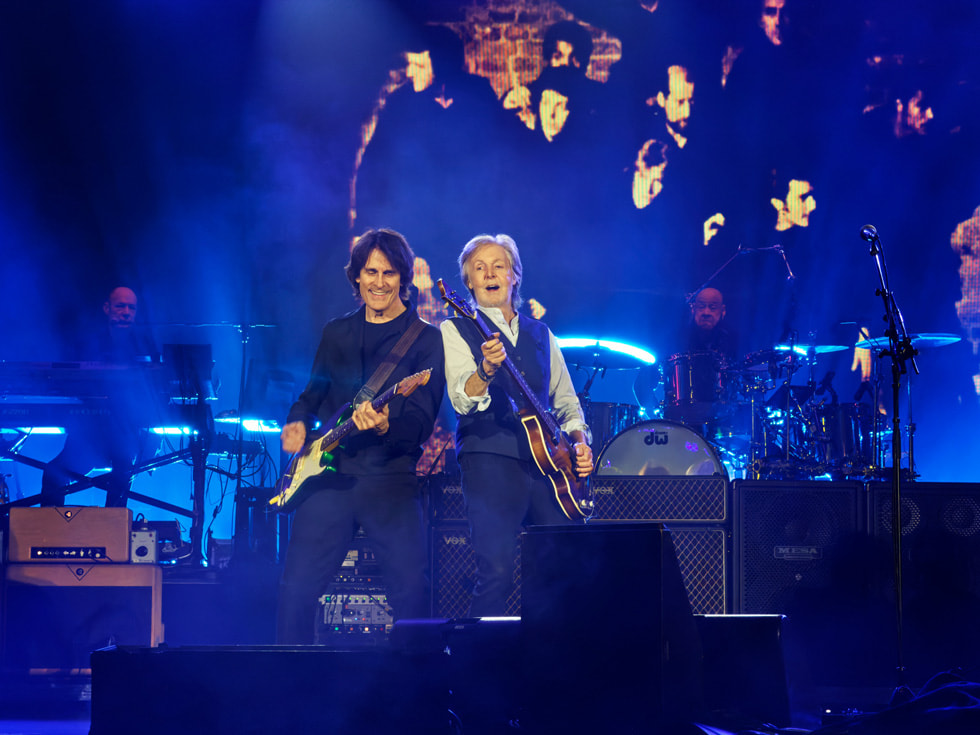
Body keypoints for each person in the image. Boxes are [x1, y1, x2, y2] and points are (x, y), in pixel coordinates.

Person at [276, 228, 445, 644]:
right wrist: (297, 421)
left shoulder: (426, 340)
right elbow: (312, 395)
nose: (379, 282)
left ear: (404, 278)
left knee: (412, 592)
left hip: (390, 479)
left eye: (389, 273)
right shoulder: (337, 332)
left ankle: (414, 692)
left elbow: (421, 422)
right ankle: (287, 689)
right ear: (356, 277)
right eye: (371, 272)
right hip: (331, 478)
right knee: (295, 590)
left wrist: (387, 424)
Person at [440, 233, 593, 617]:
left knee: (563, 571)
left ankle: (553, 664)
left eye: (499, 265)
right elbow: (462, 400)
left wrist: (579, 443)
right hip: (490, 459)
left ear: (514, 277)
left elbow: (567, 403)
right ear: (469, 283)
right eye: (479, 268)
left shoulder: (543, 334)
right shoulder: (455, 328)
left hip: (550, 469)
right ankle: (478, 670)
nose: (490, 273)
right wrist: (486, 370)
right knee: (496, 572)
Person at [40, 286, 159, 508]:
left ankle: (112, 534)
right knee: (53, 472)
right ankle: (50, 535)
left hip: (125, 435)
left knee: (122, 468)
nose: (125, 312)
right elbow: (71, 379)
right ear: (107, 308)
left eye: (131, 308)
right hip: (88, 433)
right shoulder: (89, 342)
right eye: (120, 306)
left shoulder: (144, 344)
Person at [664, 287, 740, 434]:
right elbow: (648, 379)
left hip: (724, 419)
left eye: (712, 307)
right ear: (693, 309)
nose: (706, 313)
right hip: (683, 418)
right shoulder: (676, 339)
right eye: (701, 307)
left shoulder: (734, 341)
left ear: (722, 310)